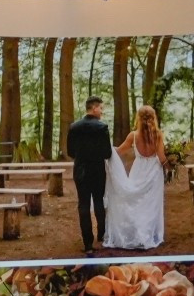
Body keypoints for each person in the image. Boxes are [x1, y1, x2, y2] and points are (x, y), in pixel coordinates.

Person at [101, 103, 167, 252]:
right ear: (153, 118)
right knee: (150, 204)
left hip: (138, 170)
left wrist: (105, 150)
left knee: (136, 201)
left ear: (138, 118)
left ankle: (135, 233)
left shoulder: (133, 135)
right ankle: (146, 234)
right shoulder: (158, 134)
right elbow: (162, 158)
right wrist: (171, 163)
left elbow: (118, 151)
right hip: (154, 173)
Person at [65, 96, 113, 254]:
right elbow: (107, 153)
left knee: (83, 205)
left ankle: (87, 243)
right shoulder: (102, 127)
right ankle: (101, 235)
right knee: (99, 201)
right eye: (101, 108)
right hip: (97, 171)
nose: (102, 111)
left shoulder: (74, 127)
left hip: (80, 171)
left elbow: (71, 152)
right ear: (94, 108)